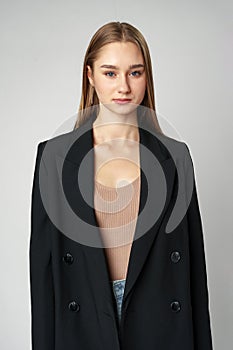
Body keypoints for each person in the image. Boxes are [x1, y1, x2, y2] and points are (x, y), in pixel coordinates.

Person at [29, 21, 213, 349]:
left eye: (135, 73)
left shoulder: (175, 157)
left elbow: (194, 273)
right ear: (90, 76)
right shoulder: (54, 158)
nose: (124, 86)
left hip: (158, 321)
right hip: (83, 323)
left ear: (147, 77)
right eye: (111, 73)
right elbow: (43, 277)